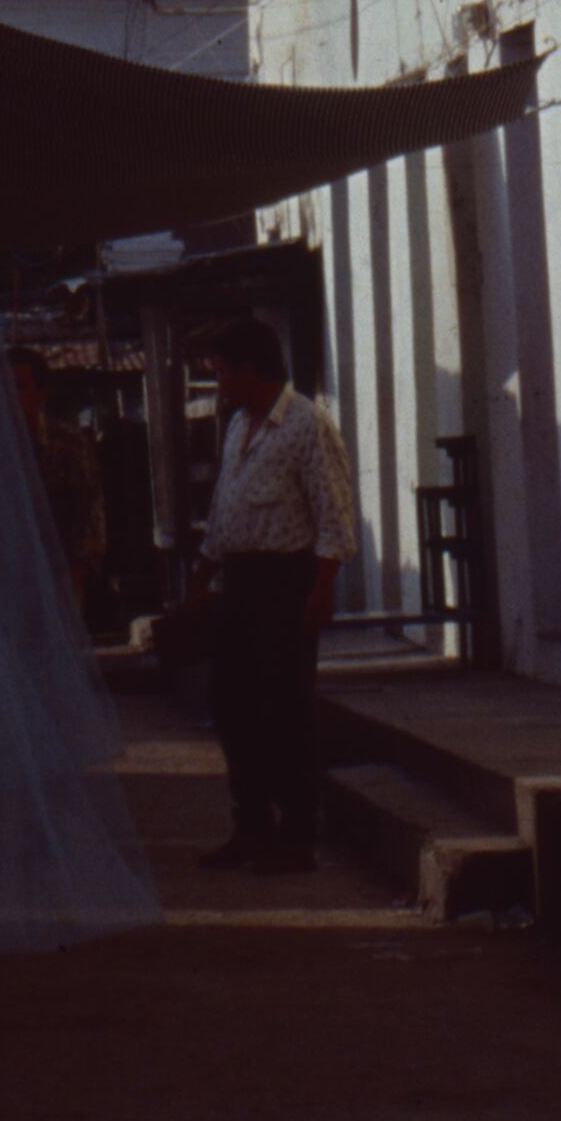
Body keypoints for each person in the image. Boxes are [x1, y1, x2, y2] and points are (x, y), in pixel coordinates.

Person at [193, 316, 354, 872]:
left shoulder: (307, 424)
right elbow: (223, 505)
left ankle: (297, 834)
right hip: (239, 579)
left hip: (286, 582)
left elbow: (334, 512)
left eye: (220, 374)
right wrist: (204, 571)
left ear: (248, 369)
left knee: (285, 706)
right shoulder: (240, 426)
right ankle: (252, 824)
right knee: (231, 704)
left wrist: (322, 588)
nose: (218, 385)